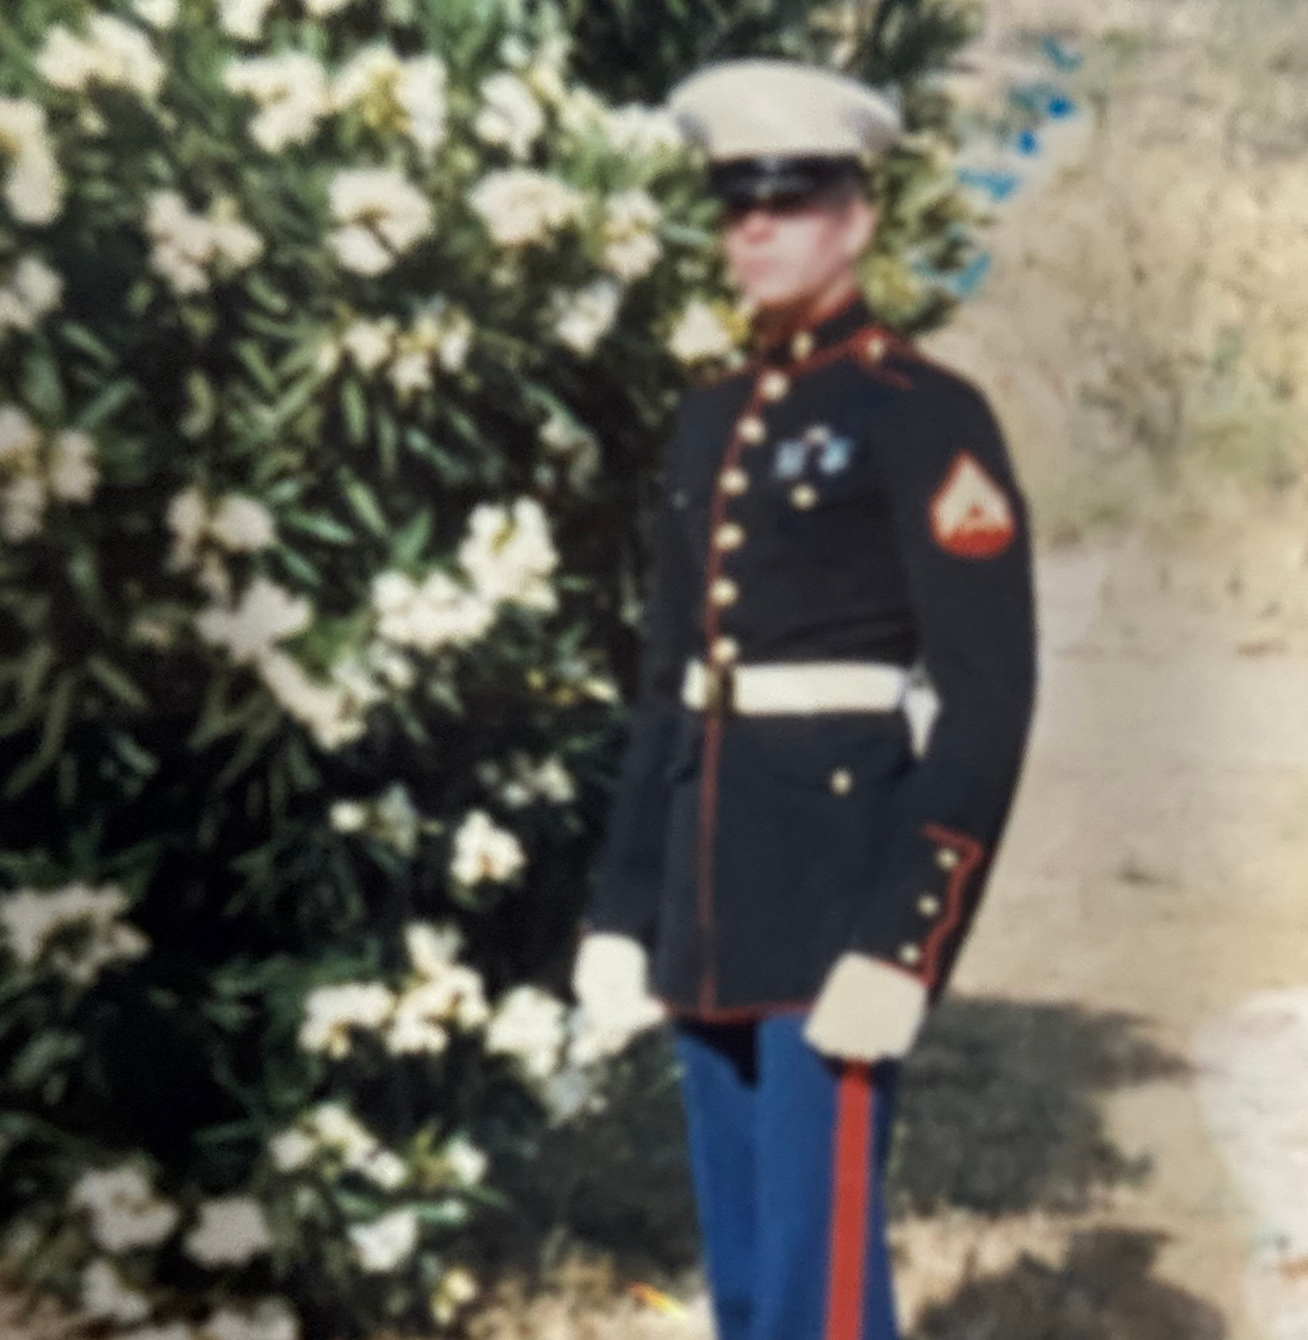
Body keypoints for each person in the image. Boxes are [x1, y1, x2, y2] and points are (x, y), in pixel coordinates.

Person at [570, 57, 1037, 1340]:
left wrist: (903, 939)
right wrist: (624, 907)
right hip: (710, 895)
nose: (758, 230)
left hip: (838, 884)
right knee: (748, 1282)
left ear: (858, 217)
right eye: (736, 205)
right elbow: (670, 684)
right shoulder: (705, 421)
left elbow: (988, 702)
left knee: (823, 1294)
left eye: (789, 198)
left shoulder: (922, 416)